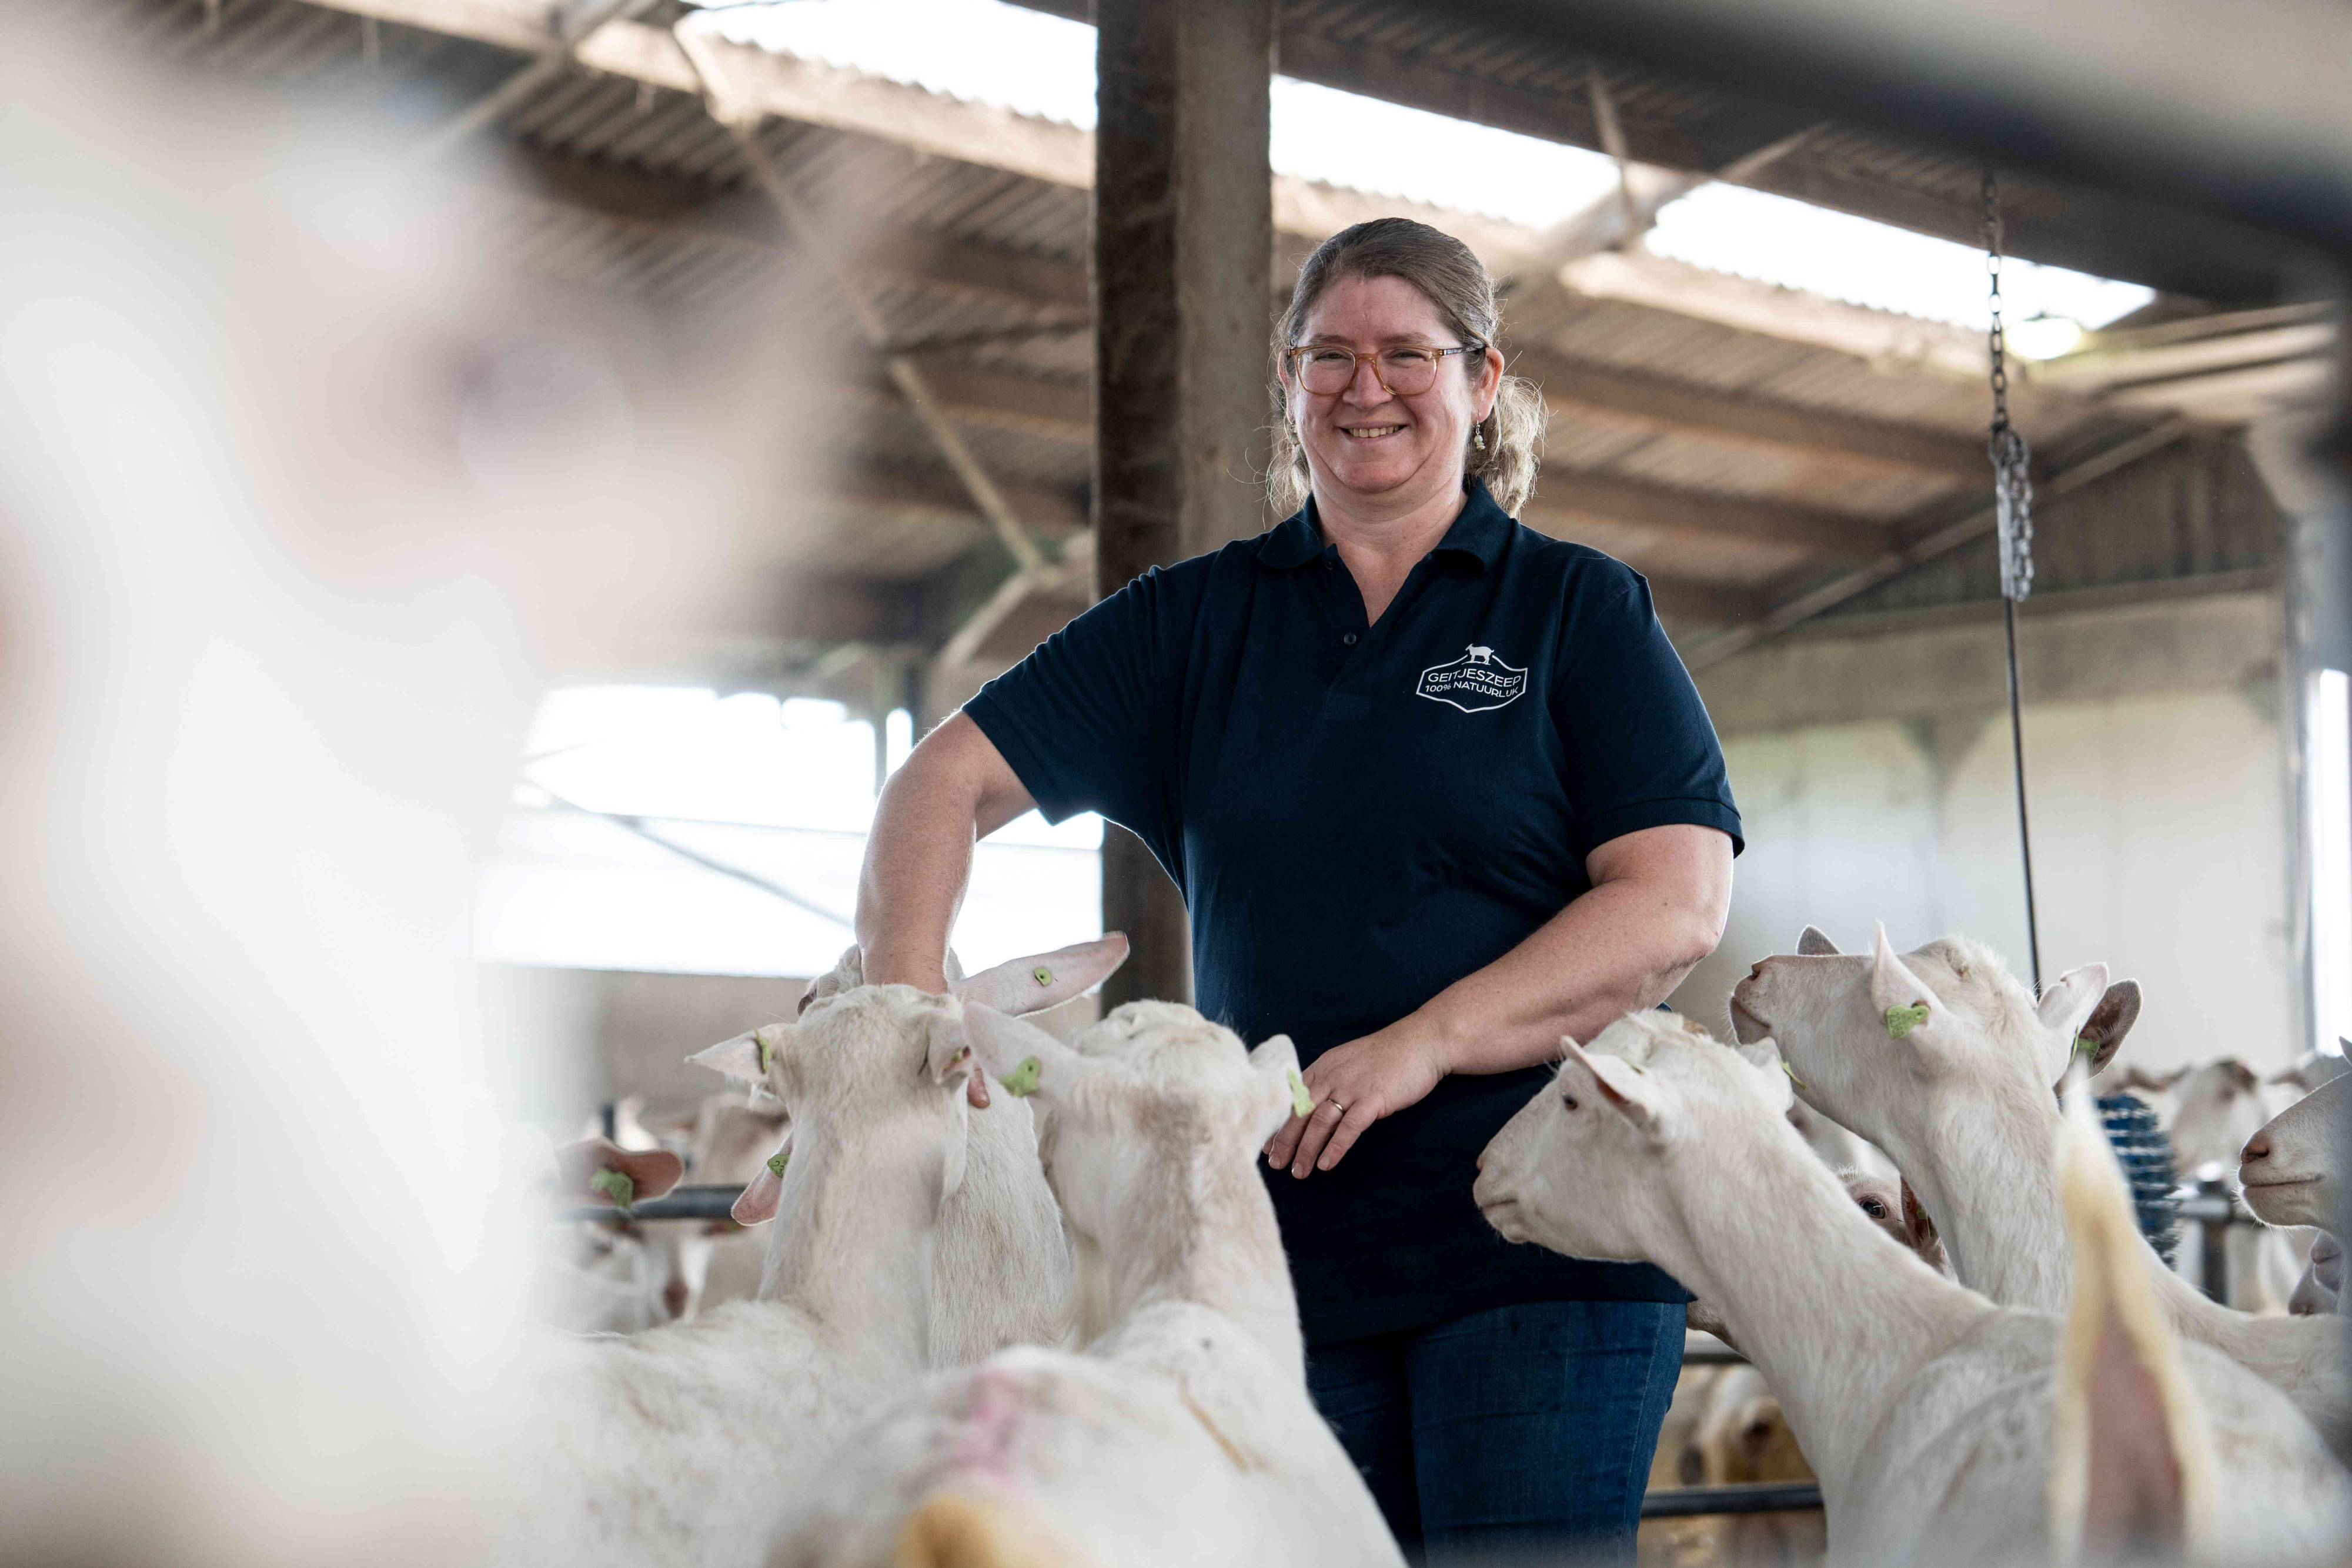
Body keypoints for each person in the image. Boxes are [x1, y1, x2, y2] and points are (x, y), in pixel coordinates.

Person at [854, 217, 1741, 1563]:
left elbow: (1672, 902)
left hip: (1545, 1244)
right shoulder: (1195, 621)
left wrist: (1422, 1042)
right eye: (1327, 354)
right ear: (1286, 380)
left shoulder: (1573, 610)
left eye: (1404, 353)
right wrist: (903, 1022)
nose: (1362, 386)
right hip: (1274, 1251)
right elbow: (938, 785)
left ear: (1481, 378)